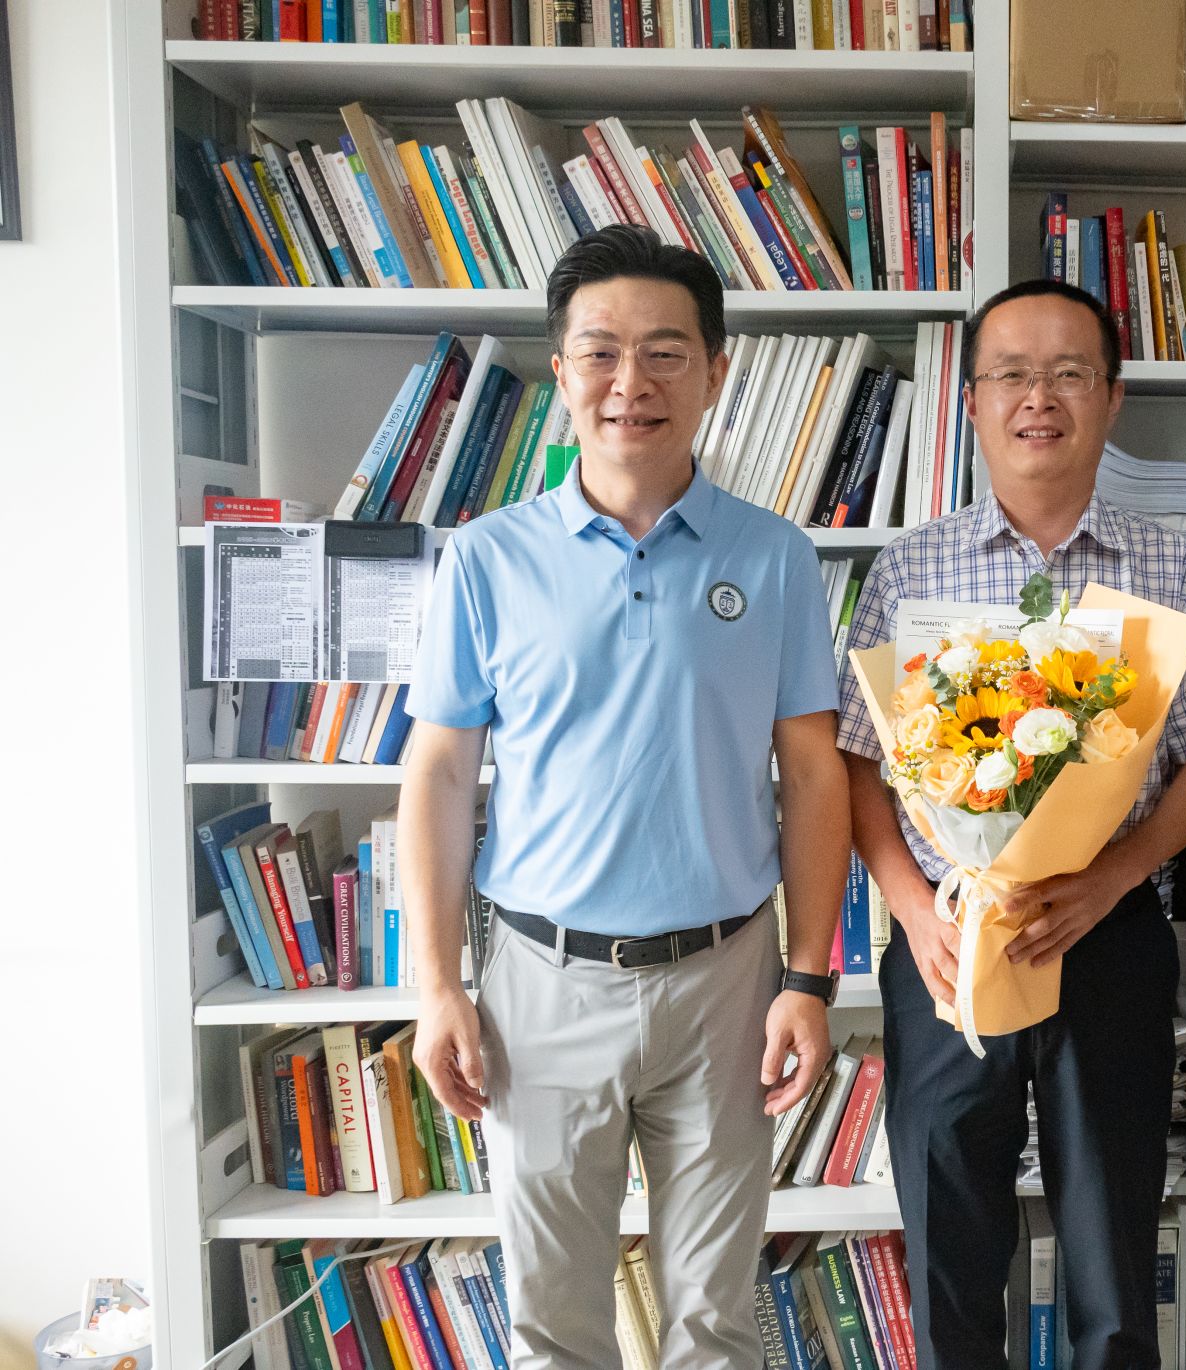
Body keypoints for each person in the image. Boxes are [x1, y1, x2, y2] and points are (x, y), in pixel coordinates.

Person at [400, 224, 851, 1369]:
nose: (630, 381)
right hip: (541, 982)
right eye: (599, 351)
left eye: (664, 352)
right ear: (561, 374)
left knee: (716, 1319)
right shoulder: (488, 558)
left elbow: (812, 775)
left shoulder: (775, 556)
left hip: (727, 981)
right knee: (555, 1324)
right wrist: (436, 985)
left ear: (715, 371)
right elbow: (440, 774)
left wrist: (808, 977)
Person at [836, 279, 1186, 1370]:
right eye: (1013, 375)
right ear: (973, 402)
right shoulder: (913, 565)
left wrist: (1113, 874)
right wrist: (913, 911)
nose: (1040, 398)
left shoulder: (1170, 566)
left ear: (1111, 398)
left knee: (1112, 1242)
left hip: (1109, 936)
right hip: (945, 940)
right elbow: (859, 768)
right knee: (948, 1235)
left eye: (1070, 373)